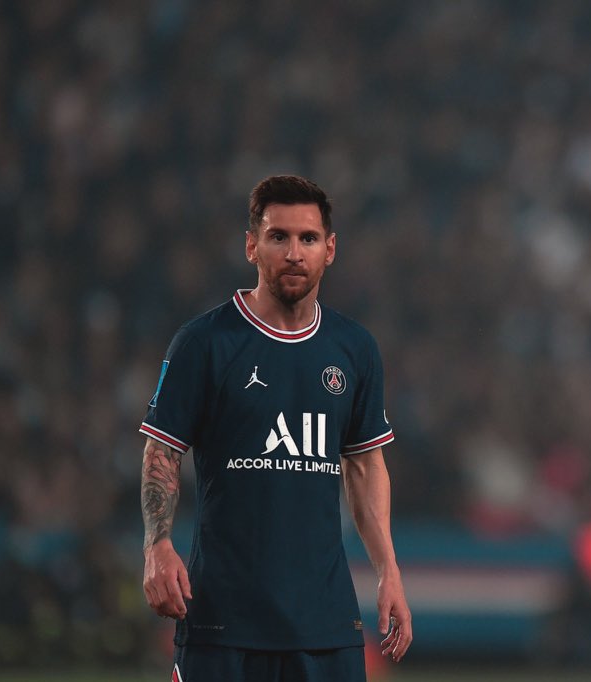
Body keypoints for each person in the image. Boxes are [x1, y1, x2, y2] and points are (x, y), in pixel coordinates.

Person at [139, 175, 412, 682]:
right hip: (223, 619)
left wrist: (388, 571)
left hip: (324, 622)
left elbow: (364, 465)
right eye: (278, 236)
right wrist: (157, 544)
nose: (293, 253)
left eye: (308, 238)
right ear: (251, 246)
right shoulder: (203, 342)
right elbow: (163, 451)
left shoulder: (354, 349)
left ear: (330, 249)